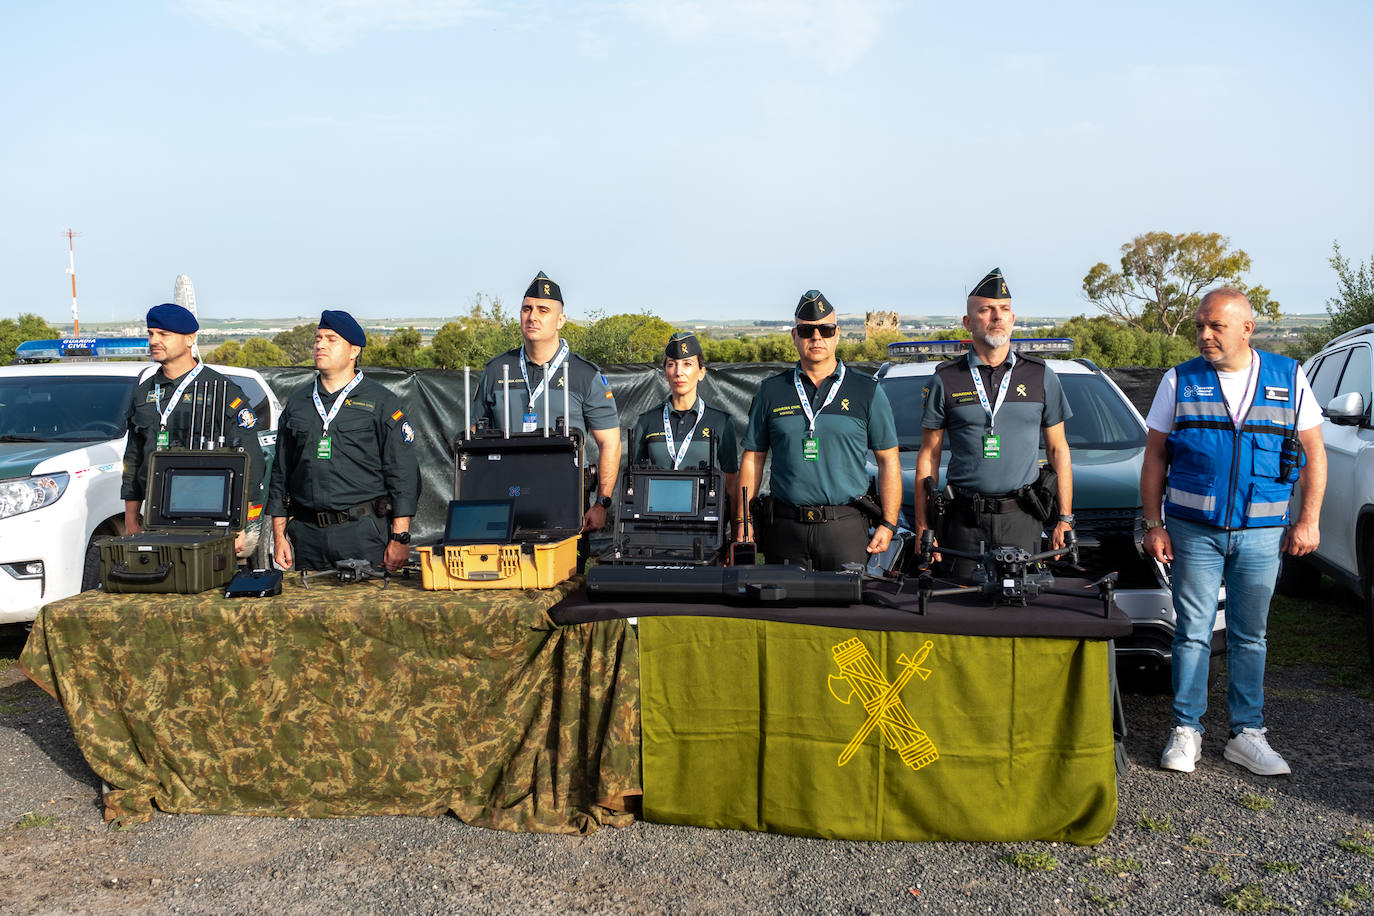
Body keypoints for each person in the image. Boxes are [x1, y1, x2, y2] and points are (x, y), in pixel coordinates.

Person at [1142, 288, 1325, 776]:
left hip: (1262, 532)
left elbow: (1314, 454)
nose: (1203, 335)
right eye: (1199, 326)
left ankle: (1248, 734)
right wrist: (1154, 524)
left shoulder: (1289, 377)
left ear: (1247, 328)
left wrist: (1308, 519)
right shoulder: (1179, 380)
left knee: (1250, 636)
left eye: (1215, 327)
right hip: (1193, 530)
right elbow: (1155, 456)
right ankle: (1186, 730)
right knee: (1193, 633)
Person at [912, 268, 1074, 576]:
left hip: (1022, 519)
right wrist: (923, 523)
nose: (996, 317)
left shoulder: (1041, 376)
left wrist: (1065, 518)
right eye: (985, 310)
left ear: (1013, 320)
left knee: (1021, 613)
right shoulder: (946, 379)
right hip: (963, 520)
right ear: (968, 322)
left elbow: (1058, 450)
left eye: (1004, 310)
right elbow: (929, 455)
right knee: (959, 607)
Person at [738, 289, 901, 569]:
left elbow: (888, 460)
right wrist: (744, 522)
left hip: (845, 527)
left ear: (837, 334)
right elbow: (753, 458)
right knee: (782, 611)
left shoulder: (867, 391)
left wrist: (888, 522)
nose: (816, 338)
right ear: (794, 335)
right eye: (807, 331)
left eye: (825, 330)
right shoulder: (771, 391)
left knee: (847, 610)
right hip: (785, 528)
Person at [267, 310, 420, 573]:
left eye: (331, 339)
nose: (320, 345)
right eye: (318, 338)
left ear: (353, 351)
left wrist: (400, 537)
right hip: (307, 535)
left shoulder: (381, 402)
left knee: (365, 612)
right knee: (310, 612)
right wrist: (279, 536)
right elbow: (281, 474)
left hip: (361, 534)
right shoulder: (298, 403)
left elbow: (403, 474)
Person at [472, 271, 621, 532]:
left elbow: (610, 443)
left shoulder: (585, 375)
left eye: (543, 310)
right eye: (527, 309)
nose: (533, 317)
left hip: (564, 495)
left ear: (560, 319)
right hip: (504, 495)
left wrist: (601, 503)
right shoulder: (497, 370)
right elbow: (474, 434)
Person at [121, 302, 266, 554]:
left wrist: (239, 526)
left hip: (207, 517)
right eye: (151, 333)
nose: (154, 340)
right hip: (157, 516)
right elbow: (133, 459)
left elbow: (249, 460)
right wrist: (131, 518)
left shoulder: (221, 391)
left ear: (190, 339)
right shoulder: (144, 393)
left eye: (164, 334)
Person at [629, 331, 741, 504]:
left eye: (687, 364)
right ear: (665, 372)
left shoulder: (721, 421)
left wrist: (737, 528)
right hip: (656, 522)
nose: (678, 372)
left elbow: (731, 486)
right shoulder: (647, 421)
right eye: (671, 364)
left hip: (704, 526)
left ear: (702, 372)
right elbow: (634, 481)